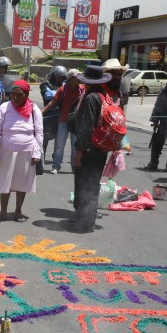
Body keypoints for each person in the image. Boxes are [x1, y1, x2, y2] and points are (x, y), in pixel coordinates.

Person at [68, 66, 113, 233]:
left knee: (85, 185)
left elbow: (85, 128)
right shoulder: (104, 96)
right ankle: (88, 219)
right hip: (100, 148)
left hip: (89, 149)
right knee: (92, 184)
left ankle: (84, 222)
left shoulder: (90, 99)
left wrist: (79, 152)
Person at [0, 80, 43, 223]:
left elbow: (38, 133)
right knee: (5, 182)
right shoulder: (4, 107)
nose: (15, 97)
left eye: (19, 95)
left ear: (26, 95)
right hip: (7, 150)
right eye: (12, 94)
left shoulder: (34, 109)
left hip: (27, 150)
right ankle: (3, 212)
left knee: (22, 183)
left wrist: (37, 153)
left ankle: (18, 211)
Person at [41, 69, 84, 174]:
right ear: (70, 79)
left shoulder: (82, 89)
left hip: (76, 122)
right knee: (60, 145)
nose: (78, 79)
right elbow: (52, 103)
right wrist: (40, 112)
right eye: (76, 77)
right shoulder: (63, 89)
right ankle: (56, 166)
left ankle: (74, 166)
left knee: (75, 145)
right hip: (63, 121)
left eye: (79, 77)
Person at [40, 66, 67, 164]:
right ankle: (41, 157)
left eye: (62, 77)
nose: (60, 79)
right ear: (53, 76)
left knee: (59, 139)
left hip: (60, 115)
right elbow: (47, 95)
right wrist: (62, 92)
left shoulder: (65, 85)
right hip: (48, 115)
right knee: (44, 138)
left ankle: (56, 157)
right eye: (58, 77)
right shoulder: (45, 84)